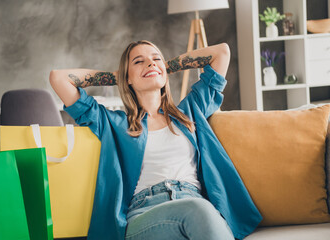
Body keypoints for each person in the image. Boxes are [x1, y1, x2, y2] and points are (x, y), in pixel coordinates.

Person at [49, 40, 262, 240]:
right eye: (138, 61)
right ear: (127, 78)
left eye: (155, 57)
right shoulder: (114, 123)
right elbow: (59, 79)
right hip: (145, 213)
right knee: (199, 210)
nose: (150, 62)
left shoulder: (190, 111)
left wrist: (160, 67)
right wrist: (119, 76)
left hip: (193, 205)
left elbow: (221, 52)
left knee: (199, 210)